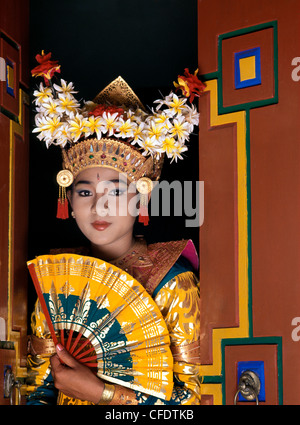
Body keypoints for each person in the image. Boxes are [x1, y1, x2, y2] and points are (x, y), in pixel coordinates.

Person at [26, 52, 204, 405]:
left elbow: (190, 403)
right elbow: (36, 387)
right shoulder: (56, 279)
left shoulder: (174, 282)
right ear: (69, 202)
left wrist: (103, 394)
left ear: (142, 198)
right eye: (85, 192)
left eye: (116, 191)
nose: (99, 206)